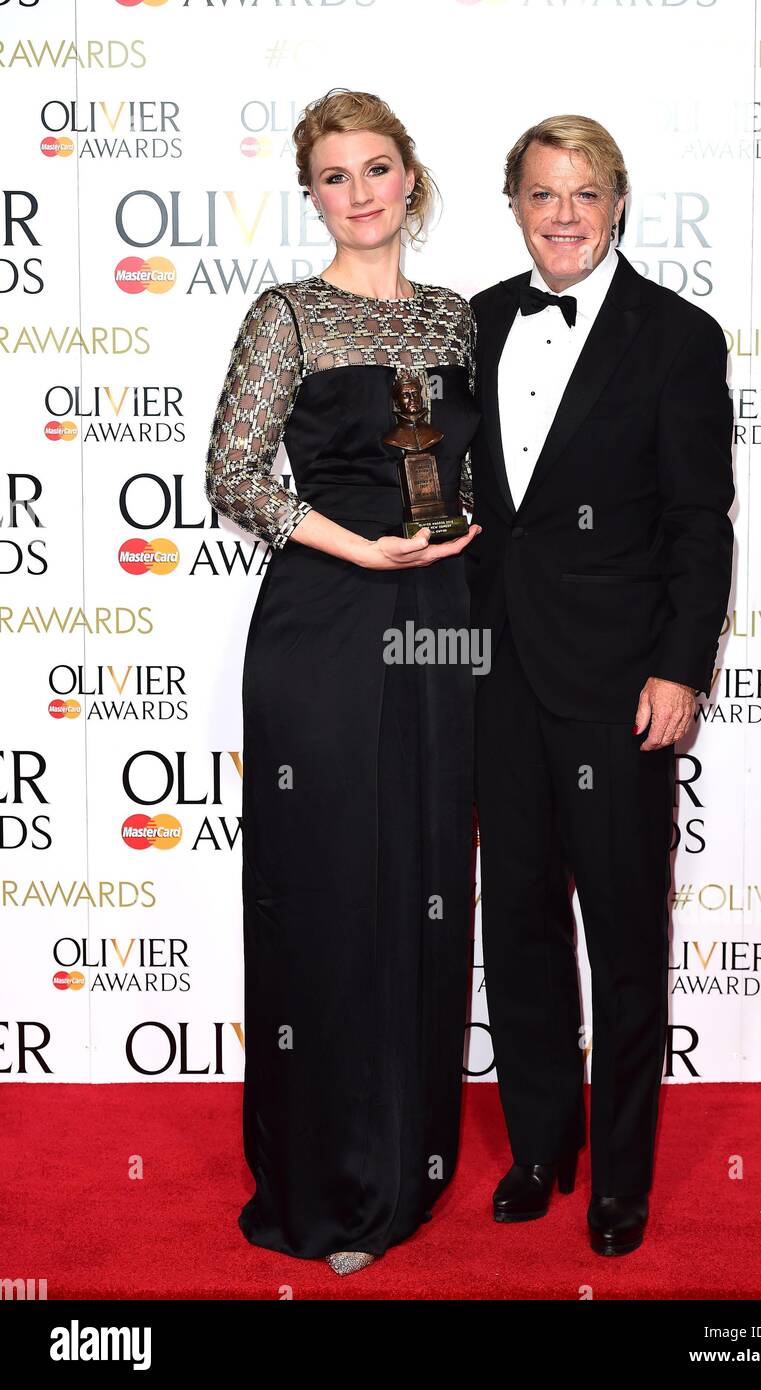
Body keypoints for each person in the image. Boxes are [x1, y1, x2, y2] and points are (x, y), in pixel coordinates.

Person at [204, 88, 481, 1276]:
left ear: (409, 180)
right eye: (334, 175)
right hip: (326, 614)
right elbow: (231, 471)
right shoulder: (287, 318)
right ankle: (329, 1176)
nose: (359, 193)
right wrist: (353, 544)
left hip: (440, 621)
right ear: (311, 194)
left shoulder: (457, 319)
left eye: (377, 169)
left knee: (423, 868)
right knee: (332, 883)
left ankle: (409, 1156)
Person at [466, 115, 734, 1255]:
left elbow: (697, 522)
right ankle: (540, 1147)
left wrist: (680, 667)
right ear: (515, 204)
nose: (563, 214)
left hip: (621, 685)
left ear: (618, 202)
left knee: (623, 939)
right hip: (493, 679)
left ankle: (620, 1173)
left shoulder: (677, 336)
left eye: (583, 193)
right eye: (541, 194)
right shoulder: (473, 322)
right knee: (516, 924)